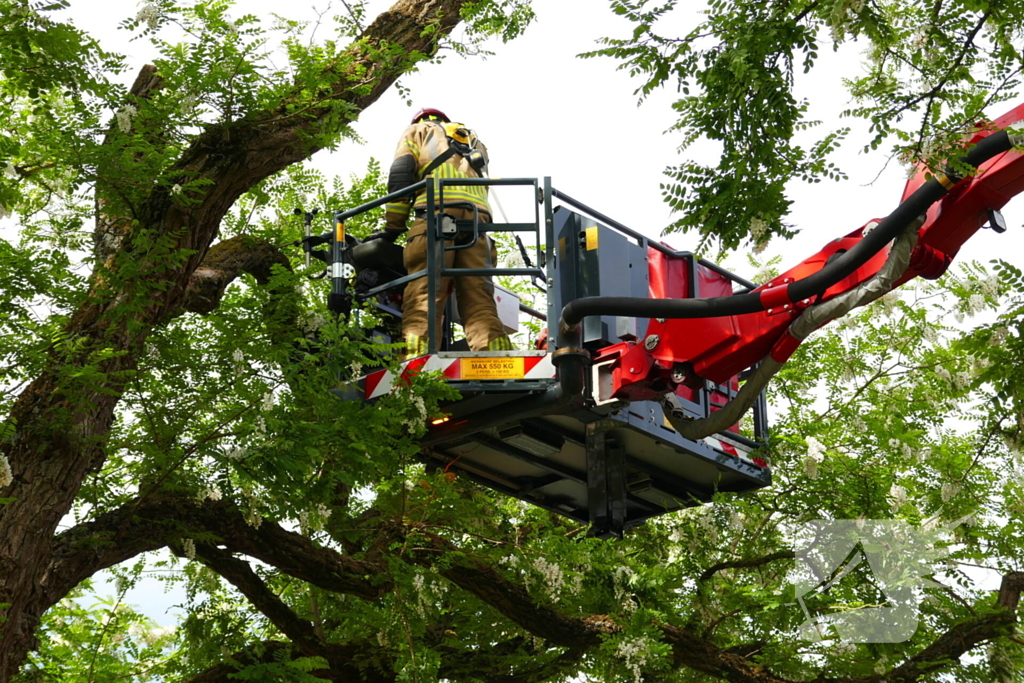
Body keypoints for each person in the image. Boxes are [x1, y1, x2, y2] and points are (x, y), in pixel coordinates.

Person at [367, 108, 513, 357]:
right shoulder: (474, 141)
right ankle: (499, 361)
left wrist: (393, 227)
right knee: (480, 299)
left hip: (435, 216)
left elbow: (401, 174)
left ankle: (417, 363)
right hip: (477, 225)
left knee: (424, 293)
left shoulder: (419, 131)